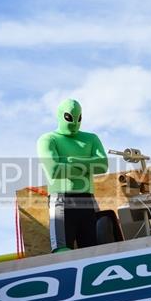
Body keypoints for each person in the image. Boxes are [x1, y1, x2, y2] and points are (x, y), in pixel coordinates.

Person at [37, 99, 108, 252]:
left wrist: (72, 161)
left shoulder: (91, 138)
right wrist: (88, 166)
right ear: (60, 116)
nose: (74, 123)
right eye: (69, 118)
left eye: (79, 118)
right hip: (61, 200)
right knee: (62, 250)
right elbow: (54, 170)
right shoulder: (48, 139)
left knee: (96, 250)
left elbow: (103, 165)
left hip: (88, 199)